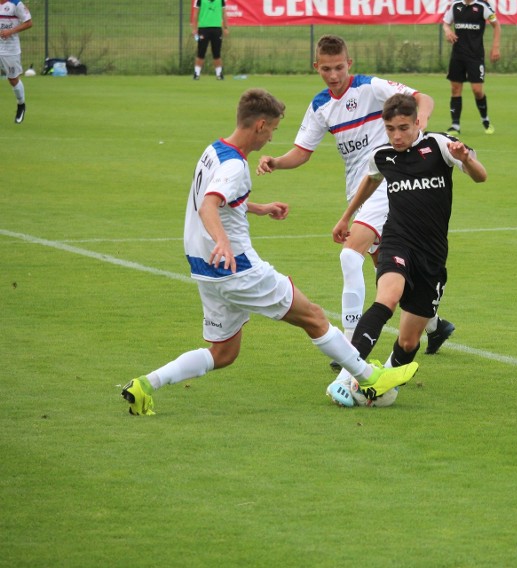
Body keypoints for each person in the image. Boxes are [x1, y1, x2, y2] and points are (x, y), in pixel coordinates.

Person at [121, 88, 418, 416]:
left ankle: (145, 384)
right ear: (260, 125)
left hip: (206, 270)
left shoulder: (214, 151)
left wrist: (258, 208)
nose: (272, 137)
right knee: (315, 317)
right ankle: (369, 378)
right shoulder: (235, 166)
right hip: (238, 269)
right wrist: (222, 240)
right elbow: (209, 205)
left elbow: (219, 200)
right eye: (274, 130)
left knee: (223, 353)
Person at [256, 35, 456, 369]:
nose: (333, 75)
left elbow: (423, 97)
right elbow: (302, 152)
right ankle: (435, 327)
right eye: (326, 69)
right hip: (360, 190)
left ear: (349, 64)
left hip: (390, 184)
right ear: (316, 67)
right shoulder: (321, 105)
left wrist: (419, 122)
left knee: (350, 254)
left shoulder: (371, 88)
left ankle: (349, 344)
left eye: (338, 67)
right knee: (389, 273)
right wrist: (276, 161)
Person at [326, 93, 487, 406]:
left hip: (432, 255)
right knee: (387, 297)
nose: (396, 136)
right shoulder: (384, 155)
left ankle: (381, 384)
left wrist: (465, 158)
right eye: (390, 129)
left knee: (409, 339)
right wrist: (347, 216)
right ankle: (346, 377)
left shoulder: (440, 146)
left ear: (417, 123)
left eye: (403, 128)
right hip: (397, 242)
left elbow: (481, 176)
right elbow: (371, 180)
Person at [442, 0, 501, 135]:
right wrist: (447, 30)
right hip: (458, 55)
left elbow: (496, 25)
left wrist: (496, 47)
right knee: (455, 88)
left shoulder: (482, 6)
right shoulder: (456, 6)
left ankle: (485, 120)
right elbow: (445, 23)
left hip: (475, 56)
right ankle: (455, 125)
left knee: (477, 90)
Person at [0, 0, 32, 124]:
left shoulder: (16, 4)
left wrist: (10, 31)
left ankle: (21, 105)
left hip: (10, 50)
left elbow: (29, 23)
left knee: (13, 79)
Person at [190, 0, 228, 80]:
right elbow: (196, 14)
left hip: (216, 28)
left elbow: (224, 13)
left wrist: (225, 27)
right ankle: (196, 73)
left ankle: (219, 74)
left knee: (216, 52)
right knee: (201, 52)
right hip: (203, 28)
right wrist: (194, 28)